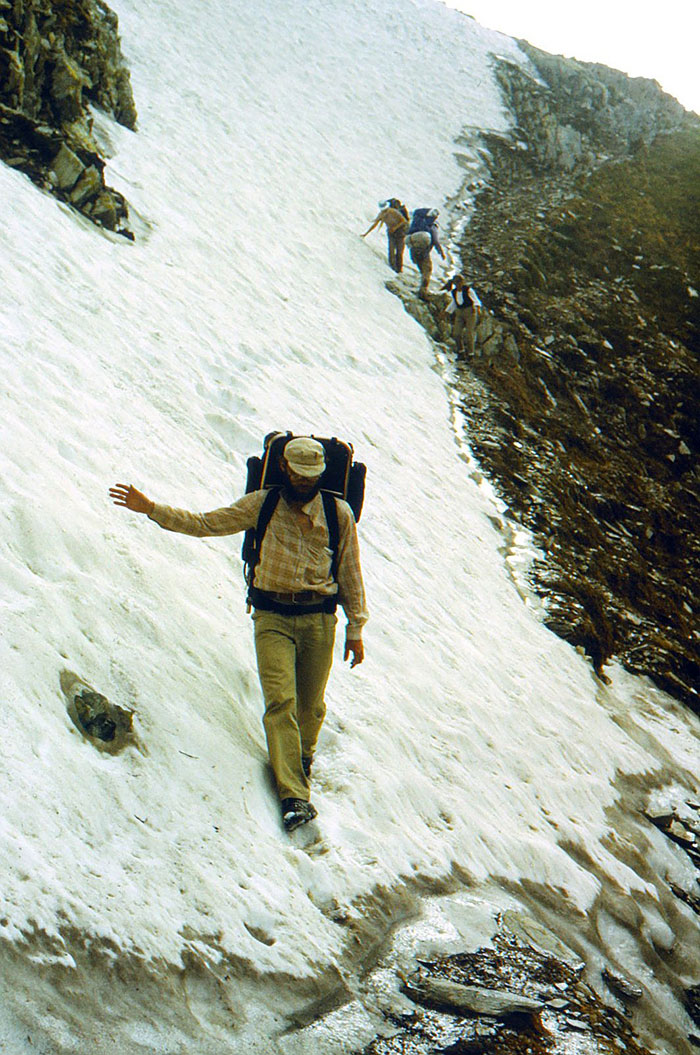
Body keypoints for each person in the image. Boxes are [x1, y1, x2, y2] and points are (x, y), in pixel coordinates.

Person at [109, 437, 368, 833]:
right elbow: (206, 523)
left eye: (311, 476)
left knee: (310, 708)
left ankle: (300, 759)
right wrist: (151, 510)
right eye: (298, 475)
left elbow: (350, 571)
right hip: (272, 618)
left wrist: (356, 628)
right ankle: (294, 796)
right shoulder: (262, 504)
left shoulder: (338, 514)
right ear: (284, 469)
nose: (304, 482)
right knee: (280, 700)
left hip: (319, 619)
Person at [405, 208, 445, 299]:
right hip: (424, 252)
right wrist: (441, 252)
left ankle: (421, 289)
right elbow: (435, 241)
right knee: (427, 270)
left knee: (422, 270)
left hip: (414, 251)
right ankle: (422, 292)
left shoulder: (417, 223)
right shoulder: (432, 227)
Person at [361, 198, 410, 273]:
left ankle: (399, 270)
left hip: (400, 233)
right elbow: (375, 224)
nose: (385, 211)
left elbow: (404, 221)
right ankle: (392, 269)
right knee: (391, 250)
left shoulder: (394, 212)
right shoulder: (381, 214)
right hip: (391, 233)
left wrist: (395, 227)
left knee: (399, 252)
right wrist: (366, 233)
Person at [442, 273, 480, 354]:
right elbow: (454, 303)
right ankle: (461, 351)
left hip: (470, 311)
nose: (458, 284)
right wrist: (447, 311)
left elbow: (476, 300)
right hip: (459, 312)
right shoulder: (454, 292)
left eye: (459, 282)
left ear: (462, 282)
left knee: (469, 333)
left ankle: (470, 353)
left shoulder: (468, 290)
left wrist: (476, 308)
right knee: (456, 333)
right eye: (456, 282)